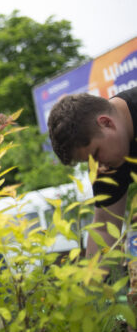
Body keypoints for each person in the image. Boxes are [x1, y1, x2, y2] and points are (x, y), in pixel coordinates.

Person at [47, 86, 137, 257]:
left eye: (96, 154)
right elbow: (105, 228)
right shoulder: (106, 163)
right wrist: (92, 280)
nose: (98, 167)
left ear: (106, 123)